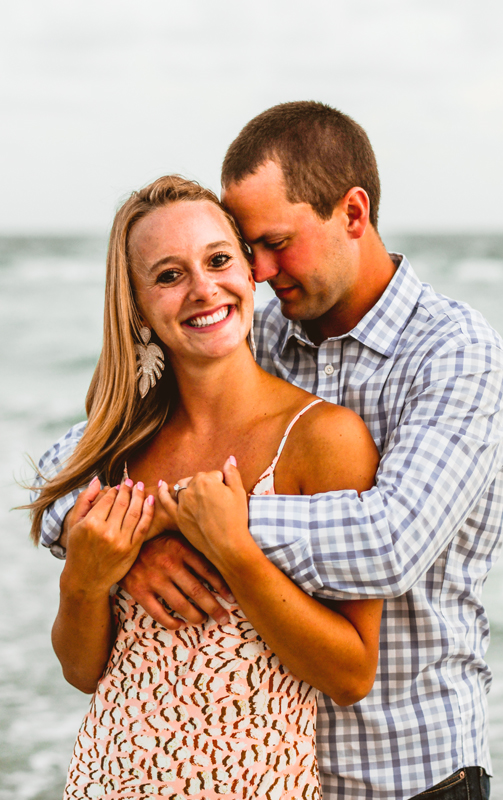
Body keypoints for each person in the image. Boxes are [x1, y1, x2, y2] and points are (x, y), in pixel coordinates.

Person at [38, 101, 503, 800]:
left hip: (405, 772)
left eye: (273, 242)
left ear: (352, 214)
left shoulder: (455, 355)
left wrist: (191, 521)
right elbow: (66, 471)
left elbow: (388, 542)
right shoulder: (253, 334)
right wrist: (126, 541)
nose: (257, 271)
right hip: (255, 773)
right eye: (247, 247)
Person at [27, 175, 383, 798]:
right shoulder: (118, 445)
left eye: (218, 261)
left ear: (250, 274)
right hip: (106, 780)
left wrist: (235, 549)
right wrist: (83, 579)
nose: (202, 289)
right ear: (136, 305)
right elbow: (83, 672)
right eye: (168, 275)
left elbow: (351, 673)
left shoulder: (322, 437)